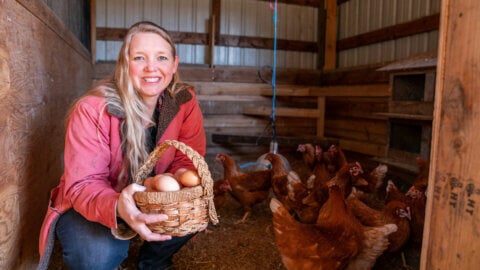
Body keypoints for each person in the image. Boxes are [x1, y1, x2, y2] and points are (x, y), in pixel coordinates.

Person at [37, 21, 206, 270]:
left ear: (174, 65)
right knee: (96, 255)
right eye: (139, 57)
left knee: (191, 209)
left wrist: (183, 179)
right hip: (98, 200)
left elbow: (186, 158)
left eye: (161, 57)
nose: (152, 67)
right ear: (125, 64)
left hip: (151, 196)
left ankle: (152, 261)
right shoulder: (93, 109)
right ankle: (113, 252)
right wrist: (118, 206)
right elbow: (83, 184)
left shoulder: (183, 101)